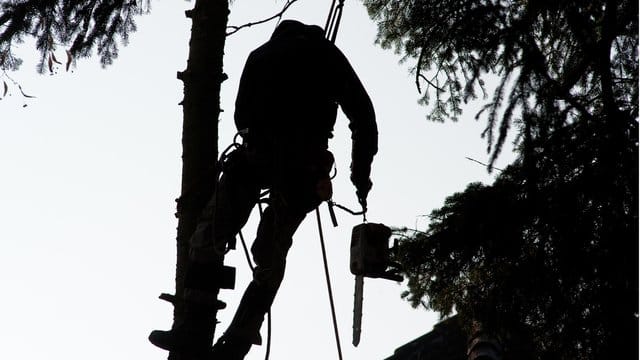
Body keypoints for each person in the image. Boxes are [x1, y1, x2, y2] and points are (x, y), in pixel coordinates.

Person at [149, 19, 378, 359]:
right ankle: (239, 339)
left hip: (257, 157)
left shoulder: (261, 54)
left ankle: (193, 327)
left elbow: (242, 116)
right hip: (303, 168)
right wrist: (360, 176)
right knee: (270, 254)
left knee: (209, 237)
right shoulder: (328, 55)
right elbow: (363, 117)